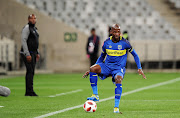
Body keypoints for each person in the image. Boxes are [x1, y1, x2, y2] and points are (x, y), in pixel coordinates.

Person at [83, 24, 146, 113]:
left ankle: (116, 108)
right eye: (115, 31)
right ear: (111, 32)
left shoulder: (125, 43)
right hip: (107, 66)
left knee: (118, 79)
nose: (117, 33)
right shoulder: (106, 42)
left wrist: (139, 68)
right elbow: (102, 57)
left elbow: (135, 55)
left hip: (118, 68)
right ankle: (95, 95)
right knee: (92, 68)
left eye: (118, 32)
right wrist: (92, 69)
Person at [20, 14, 40, 96]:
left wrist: (37, 52)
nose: (33, 20)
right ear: (28, 19)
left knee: (31, 72)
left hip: (34, 53)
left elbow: (36, 42)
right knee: (30, 71)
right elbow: (23, 40)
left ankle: (30, 90)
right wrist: (27, 53)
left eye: (35, 18)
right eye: (32, 18)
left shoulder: (35, 29)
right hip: (28, 53)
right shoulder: (27, 28)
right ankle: (29, 91)